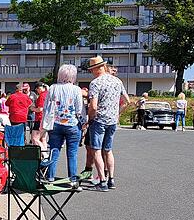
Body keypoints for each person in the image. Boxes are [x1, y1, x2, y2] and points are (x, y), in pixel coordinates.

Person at [86, 57, 129, 192]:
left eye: (92, 69)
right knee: (108, 150)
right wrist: (117, 113)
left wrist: (90, 119)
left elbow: (93, 106)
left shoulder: (95, 83)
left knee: (96, 150)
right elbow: (127, 101)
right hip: (112, 120)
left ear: (96, 68)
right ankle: (111, 179)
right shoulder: (117, 81)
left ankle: (102, 181)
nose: (91, 72)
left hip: (99, 120)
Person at [42, 65, 82, 186]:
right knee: (72, 153)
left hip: (55, 123)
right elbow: (79, 109)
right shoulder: (76, 89)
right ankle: (72, 179)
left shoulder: (53, 88)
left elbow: (45, 107)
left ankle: (50, 177)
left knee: (54, 150)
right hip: (72, 123)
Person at [31, 83, 48, 149]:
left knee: (35, 139)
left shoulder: (42, 96)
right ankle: (45, 155)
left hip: (40, 119)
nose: (37, 91)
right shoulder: (48, 94)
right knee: (43, 139)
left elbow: (40, 109)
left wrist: (32, 108)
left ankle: (45, 155)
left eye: (37, 89)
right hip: (46, 119)